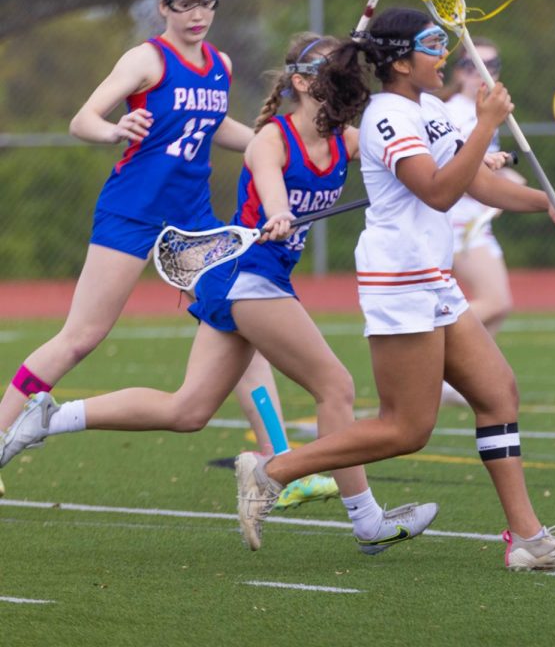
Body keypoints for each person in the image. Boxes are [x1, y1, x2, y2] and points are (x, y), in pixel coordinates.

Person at [0, 33, 436, 553]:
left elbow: (411, 154)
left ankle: (53, 416)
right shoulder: (270, 140)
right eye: (330, 74)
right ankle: (366, 521)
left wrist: (477, 161)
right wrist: (277, 211)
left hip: (257, 279)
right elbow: (269, 180)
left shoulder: (347, 139)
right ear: (300, 83)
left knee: (188, 410)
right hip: (246, 278)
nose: (345, 83)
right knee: (336, 387)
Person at [232, 8, 555, 571]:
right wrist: (483, 126)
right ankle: (272, 471)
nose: (445, 56)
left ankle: (526, 537)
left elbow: (475, 181)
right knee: (406, 428)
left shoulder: (425, 108)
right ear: (400, 61)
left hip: (433, 274)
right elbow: (438, 191)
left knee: (498, 394)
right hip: (399, 279)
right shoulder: (385, 118)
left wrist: (546, 201)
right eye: (432, 46)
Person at [0, 0, 334, 508]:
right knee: (81, 336)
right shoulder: (145, 60)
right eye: (185, 4)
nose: (197, 14)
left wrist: (274, 148)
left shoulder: (221, 64)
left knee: (242, 320)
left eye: (208, 3)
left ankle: (283, 464)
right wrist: (115, 129)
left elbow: (213, 125)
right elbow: (82, 119)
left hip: (194, 222)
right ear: (164, 6)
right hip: (132, 214)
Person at [437, 38, 523, 405]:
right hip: (459, 223)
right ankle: (430, 349)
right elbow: (452, 169)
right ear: (459, 72)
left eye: (491, 65)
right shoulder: (455, 111)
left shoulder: (486, 111)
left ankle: (454, 373)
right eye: (472, 66)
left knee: (499, 307)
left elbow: (485, 165)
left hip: (478, 220)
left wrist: (505, 181)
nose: (481, 74)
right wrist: (495, 188)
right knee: (495, 300)